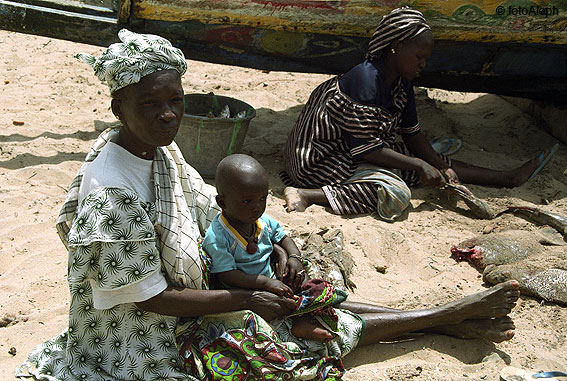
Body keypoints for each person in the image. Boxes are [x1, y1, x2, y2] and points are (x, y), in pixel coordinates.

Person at [17, 29, 522, 381]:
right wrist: (242, 298)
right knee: (283, 347)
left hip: (202, 287)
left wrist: (277, 239)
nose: (168, 114)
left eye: (175, 99)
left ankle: (438, 316)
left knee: (301, 294)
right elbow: (148, 300)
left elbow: (214, 206)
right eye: (149, 104)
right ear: (117, 107)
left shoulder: (161, 151)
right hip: (144, 339)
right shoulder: (111, 195)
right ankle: (444, 315)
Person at [281, 7, 558, 220]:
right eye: (419, 57)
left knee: (429, 164)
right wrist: (418, 165)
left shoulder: (401, 82)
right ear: (396, 47)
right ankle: (307, 195)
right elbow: (365, 149)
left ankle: (507, 178)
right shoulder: (366, 80)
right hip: (318, 160)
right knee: (394, 191)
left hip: (351, 148)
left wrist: (438, 165)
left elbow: (412, 134)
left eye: (426, 58)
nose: (423, 64)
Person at [203, 154, 342, 342]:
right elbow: (227, 274)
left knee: (304, 279)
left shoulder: (262, 221)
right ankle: (300, 321)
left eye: (262, 198)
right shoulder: (218, 236)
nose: (257, 207)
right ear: (222, 202)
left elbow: (284, 238)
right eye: (247, 201)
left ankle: (306, 315)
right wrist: (265, 283)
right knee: (274, 307)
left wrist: (294, 257)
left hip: (273, 279)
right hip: (247, 291)